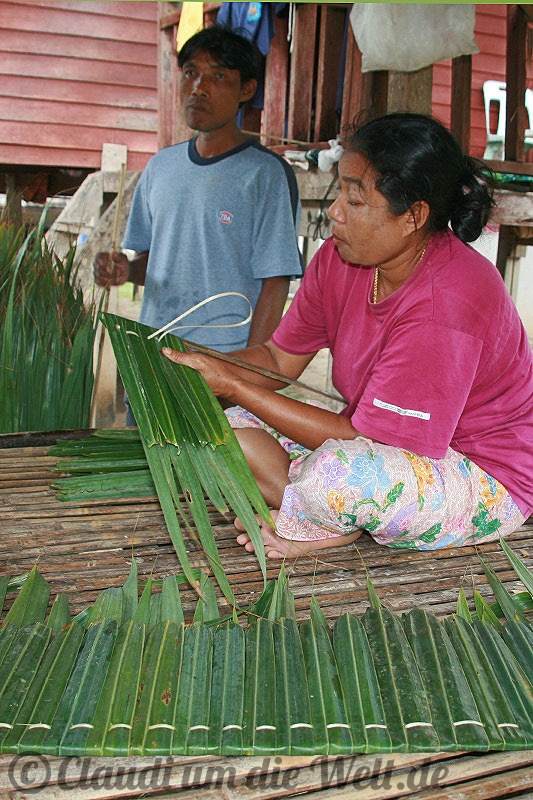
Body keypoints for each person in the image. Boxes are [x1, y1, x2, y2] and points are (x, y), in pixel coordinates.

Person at [162, 112, 533, 559]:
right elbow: (279, 360)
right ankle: (314, 509)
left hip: (485, 473)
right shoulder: (341, 259)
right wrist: (208, 370)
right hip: (380, 447)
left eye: (355, 201)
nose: (335, 211)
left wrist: (234, 385)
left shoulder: (450, 298)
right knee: (222, 430)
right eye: (341, 190)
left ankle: (319, 519)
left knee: (338, 475)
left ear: (413, 215)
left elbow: (361, 438)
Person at [94, 26, 302, 360]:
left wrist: (247, 374)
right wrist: (126, 270)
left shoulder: (265, 175)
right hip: (153, 354)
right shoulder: (160, 166)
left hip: (221, 363)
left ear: (246, 89)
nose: (199, 89)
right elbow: (153, 262)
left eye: (218, 76)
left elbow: (274, 284)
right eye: (190, 73)